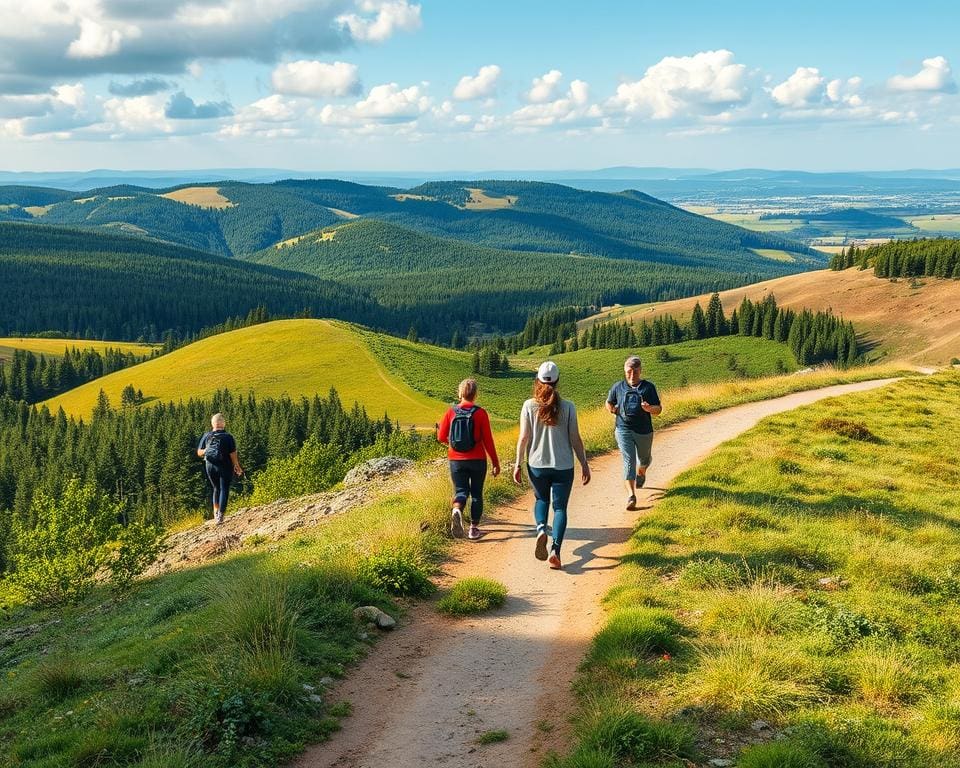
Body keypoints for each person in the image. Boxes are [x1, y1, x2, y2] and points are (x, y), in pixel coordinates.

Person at [513, 361, 591, 570]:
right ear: (557, 381)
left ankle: (540, 529)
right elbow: (575, 438)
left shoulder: (529, 406)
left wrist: (517, 463)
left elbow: (523, 438)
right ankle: (555, 550)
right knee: (560, 508)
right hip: (563, 465)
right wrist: (584, 463)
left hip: (537, 464)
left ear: (537, 380)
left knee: (541, 499)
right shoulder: (568, 407)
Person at [437, 378, 501, 540]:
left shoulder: (451, 412)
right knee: (477, 494)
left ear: (460, 393)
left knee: (461, 491)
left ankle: (457, 510)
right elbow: (488, 441)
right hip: (478, 460)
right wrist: (495, 462)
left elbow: (441, 436)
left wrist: (453, 446)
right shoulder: (480, 413)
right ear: (475, 394)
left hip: (456, 460)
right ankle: (473, 529)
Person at [605, 355, 662, 511]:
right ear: (625, 371)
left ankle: (642, 471)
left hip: (644, 431)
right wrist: (612, 409)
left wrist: (649, 408)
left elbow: (658, 409)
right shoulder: (618, 387)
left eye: (635, 372)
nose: (631, 376)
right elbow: (608, 402)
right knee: (629, 460)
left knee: (644, 459)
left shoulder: (648, 387)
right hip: (623, 429)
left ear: (640, 371)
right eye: (629, 372)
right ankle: (631, 496)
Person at [197, 413, 243, 524]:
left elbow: (199, 453)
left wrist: (207, 451)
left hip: (210, 465)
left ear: (213, 424)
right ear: (223, 423)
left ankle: (215, 513)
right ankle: (220, 516)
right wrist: (237, 466)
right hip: (224, 465)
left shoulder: (206, 436)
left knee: (216, 488)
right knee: (224, 489)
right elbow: (233, 454)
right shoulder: (228, 437)